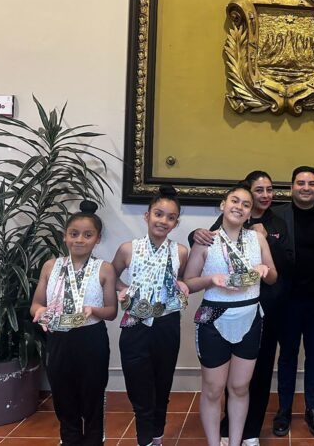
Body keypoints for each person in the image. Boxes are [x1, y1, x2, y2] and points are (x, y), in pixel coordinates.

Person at [190, 170, 291, 446]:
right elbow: (188, 282)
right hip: (214, 318)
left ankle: (235, 442)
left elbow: (273, 276)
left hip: (250, 317)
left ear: (250, 212)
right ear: (223, 204)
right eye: (235, 201)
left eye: (246, 204)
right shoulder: (207, 239)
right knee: (213, 390)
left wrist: (264, 270)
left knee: (239, 387)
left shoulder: (257, 239)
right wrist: (211, 279)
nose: (240, 207)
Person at [31, 200, 118, 446]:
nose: (80, 240)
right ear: (65, 236)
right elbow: (35, 304)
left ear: (97, 239)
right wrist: (41, 311)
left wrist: (93, 310)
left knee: (92, 395)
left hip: (91, 339)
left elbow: (112, 311)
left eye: (87, 235)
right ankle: (69, 439)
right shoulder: (51, 266)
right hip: (58, 338)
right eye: (74, 233)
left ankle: (93, 440)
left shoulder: (104, 269)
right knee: (63, 394)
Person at [112, 185, 190, 446]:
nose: (163, 221)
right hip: (135, 325)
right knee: (139, 387)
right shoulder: (128, 249)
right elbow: (110, 276)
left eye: (170, 217)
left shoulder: (180, 252)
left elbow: (181, 281)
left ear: (176, 223)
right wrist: (124, 289)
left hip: (167, 325)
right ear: (147, 216)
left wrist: (182, 286)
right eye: (158, 214)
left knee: (162, 384)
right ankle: (144, 440)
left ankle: (156, 437)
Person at [271, 165, 314, 438]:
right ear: (292, 187)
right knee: (287, 356)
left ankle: (313, 409)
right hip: (287, 300)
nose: (306, 188)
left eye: (311, 183)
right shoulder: (276, 214)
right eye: (300, 183)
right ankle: (284, 410)